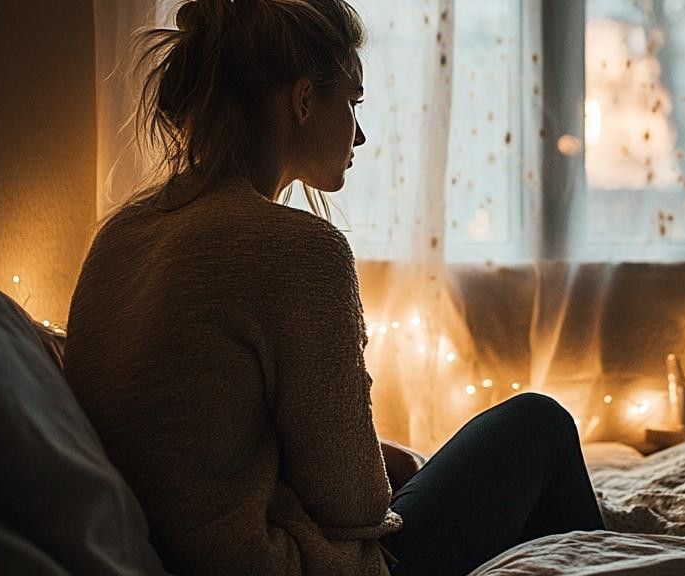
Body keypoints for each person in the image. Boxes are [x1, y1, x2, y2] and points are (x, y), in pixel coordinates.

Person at [63, 1, 605, 575]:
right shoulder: (297, 248)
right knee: (536, 423)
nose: (362, 133)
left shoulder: (120, 234)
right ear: (301, 101)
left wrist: (372, 458)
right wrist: (373, 471)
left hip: (174, 552)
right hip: (280, 565)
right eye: (352, 101)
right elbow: (354, 504)